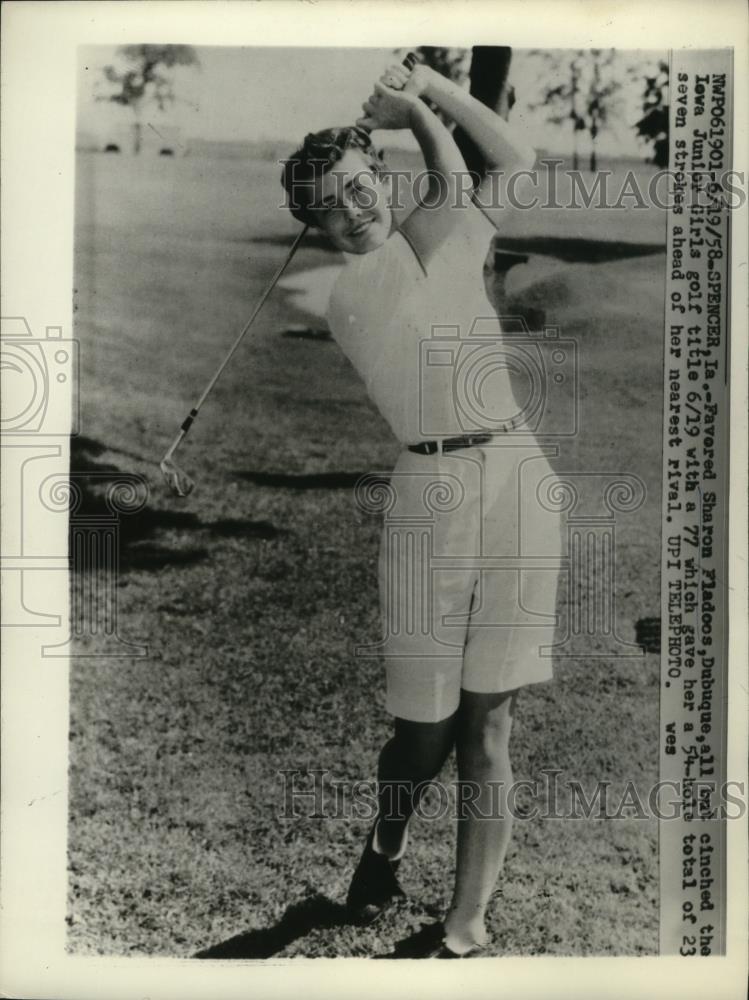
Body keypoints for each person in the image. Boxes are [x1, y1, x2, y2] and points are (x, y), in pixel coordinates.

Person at [280, 61, 563, 958]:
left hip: (516, 476)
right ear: (314, 226)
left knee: (487, 723)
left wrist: (435, 92)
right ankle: (385, 844)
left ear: (382, 182)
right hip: (426, 500)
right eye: (333, 202)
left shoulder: (441, 240)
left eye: (363, 186)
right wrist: (413, 108)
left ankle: (464, 920)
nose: (355, 208)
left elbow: (511, 159)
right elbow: (456, 178)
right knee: (422, 732)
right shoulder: (354, 291)